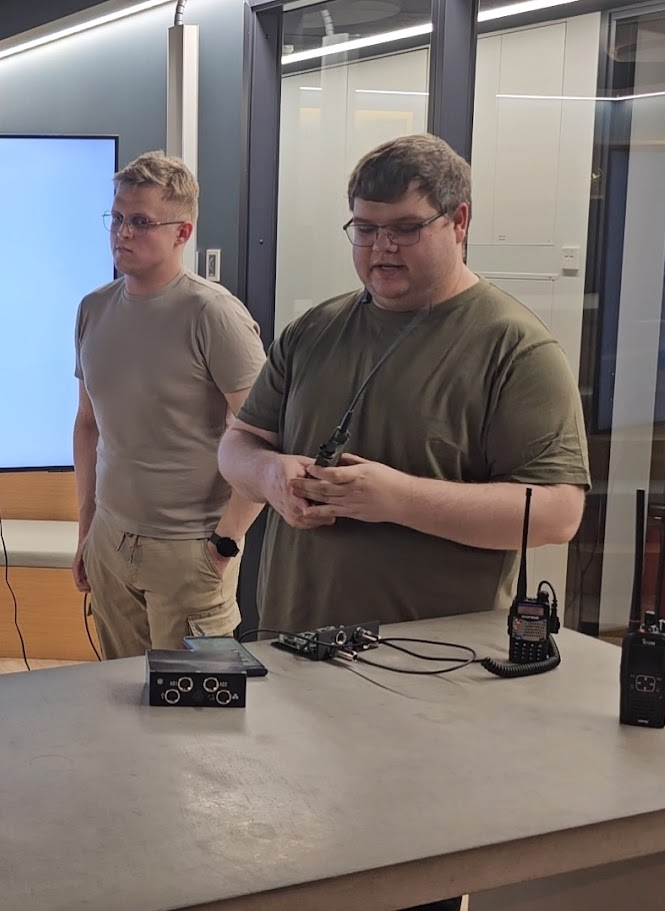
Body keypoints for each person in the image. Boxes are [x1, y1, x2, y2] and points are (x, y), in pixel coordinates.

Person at [218, 132, 589, 638]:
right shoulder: (313, 330)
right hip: (292, 647)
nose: (382, 247)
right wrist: (267, 475)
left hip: (434, 663)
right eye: (366, 228)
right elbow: (238, 444)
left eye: (406, 228)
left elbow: (557, 514)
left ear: (459, 222)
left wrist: (398, 499)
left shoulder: (516, 348)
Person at [73, 151, 267, 659]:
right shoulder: (94, 309)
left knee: (190, 706)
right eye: (117, 218)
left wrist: (226, 543)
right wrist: (87, 529)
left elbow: (268, 437)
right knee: (117, 690)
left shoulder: (214, 314)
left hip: (190, 549)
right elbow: (88, 425)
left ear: (182, 233)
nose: (122, 233)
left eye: (140, 221)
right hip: (110, 540)